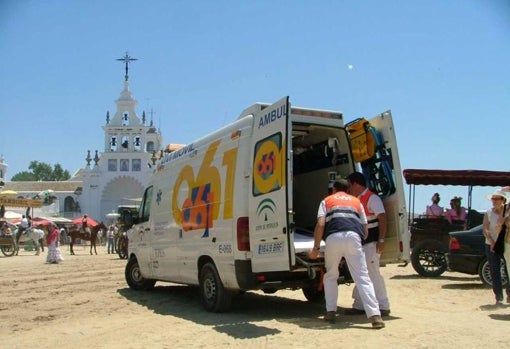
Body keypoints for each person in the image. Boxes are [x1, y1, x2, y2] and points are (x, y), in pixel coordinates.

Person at [308, 179, 385, 329]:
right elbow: (365, 227)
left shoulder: (327, 200)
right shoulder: (356, 202)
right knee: (362, 276)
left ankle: (330, 312)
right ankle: (375, 316)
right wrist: (358, 244)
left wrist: (316, 248)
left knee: (331, 275)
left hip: (333, 237)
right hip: (354, 237)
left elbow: (321, 224)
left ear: (334, 189)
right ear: (348, 190)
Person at [344, 171, 391, 317]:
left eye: (349, 185)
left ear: (355, 184)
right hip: (361, 243)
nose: (348, 188)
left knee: (373, 273)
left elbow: (382, 218)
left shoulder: (372, 198)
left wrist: (381, 240)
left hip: (371, 243)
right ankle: (359, 306)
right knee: (361, 273)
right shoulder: (357, 199)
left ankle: (383, 305)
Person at [483, 190, 510, 304]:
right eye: (492, 199)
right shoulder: (489, 213)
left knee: (508, 270)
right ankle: (498, 296)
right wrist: (492, 242)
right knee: (495, 270)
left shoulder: (507, 212)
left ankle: (509, 294)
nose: (493, 201)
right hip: (491, 243)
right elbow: (485, 229)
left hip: (505, 243)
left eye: (496, 199)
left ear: (502, 200)